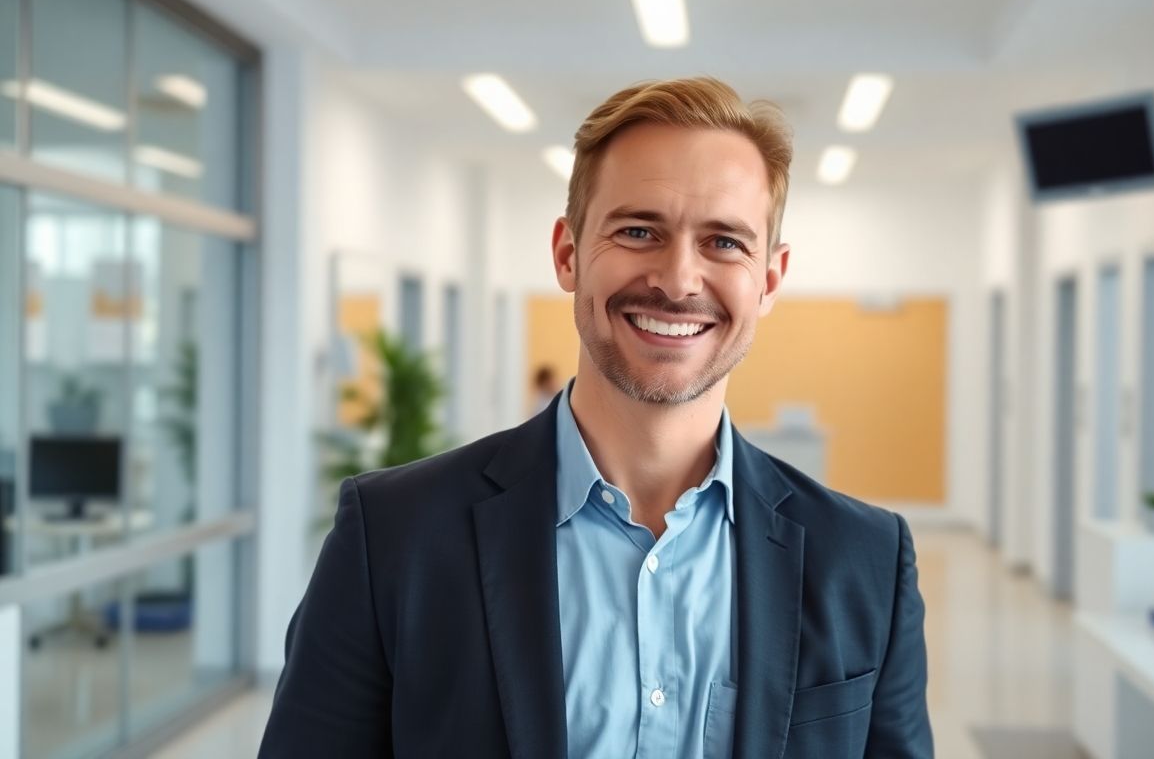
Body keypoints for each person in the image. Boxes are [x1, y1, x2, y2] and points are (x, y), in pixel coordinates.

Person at [260, 76, 932, 758]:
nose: (677, 281)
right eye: (639, 230)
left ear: (769, 279)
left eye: (724, 242)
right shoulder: (395, 538)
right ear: (567, 253)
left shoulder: (864, 559)